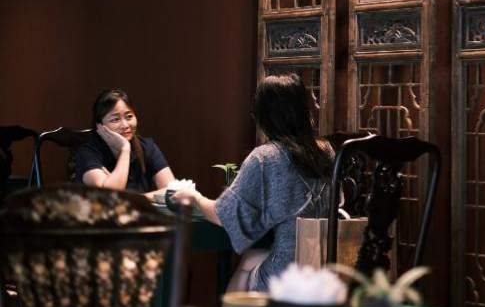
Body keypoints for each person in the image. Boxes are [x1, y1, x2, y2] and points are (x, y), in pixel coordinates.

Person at [173, 74, 333, 292]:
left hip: (287, 275)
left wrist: (193, 197)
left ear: (264, 116)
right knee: (249, 258)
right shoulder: (326, 151)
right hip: (324, 267)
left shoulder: (265, 157)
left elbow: (223, 216)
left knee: (245, 269)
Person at [75, 88, 175, 196]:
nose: (125, 125)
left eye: (129, 116)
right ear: (100, 126)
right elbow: (109, 196)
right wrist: (125, 149)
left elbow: (172, 191)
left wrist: (139, 198)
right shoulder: (87, 153)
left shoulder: (147, 147)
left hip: (140, 207)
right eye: (115, 119)